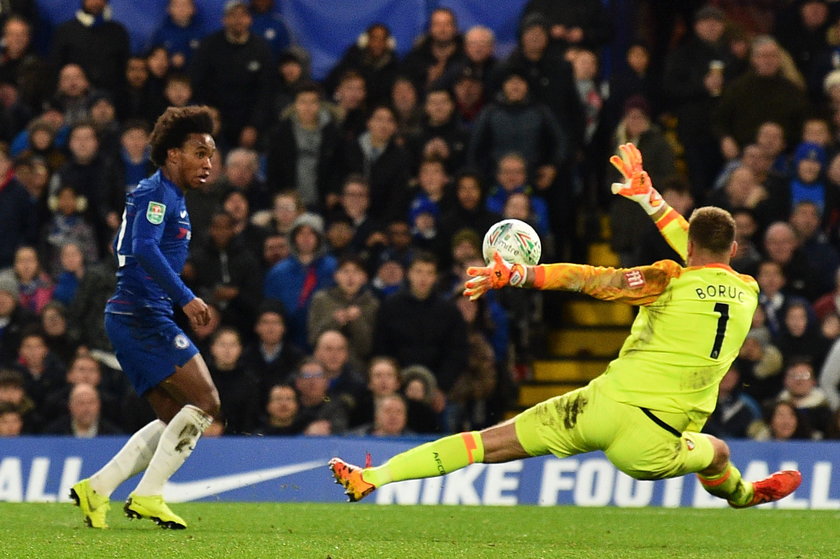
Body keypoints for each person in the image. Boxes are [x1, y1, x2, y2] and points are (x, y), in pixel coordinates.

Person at [330, 142, 802, 509]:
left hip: (599, 405)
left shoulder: (668, 279)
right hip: (652, 440)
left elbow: (590, 278)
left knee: (485, 443)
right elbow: (700, 246)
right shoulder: (748, 290)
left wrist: (518, 273)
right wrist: (652, 200)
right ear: (734, 252)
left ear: (690, 250)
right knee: (717, 452)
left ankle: (375, 476)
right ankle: (745, 496)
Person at [69, 106, 221, 530]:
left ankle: (96, 488)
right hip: (141, 315)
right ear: (173, 154)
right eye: (198, 152)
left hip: (133, 315)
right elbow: (144, 248)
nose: (207, 162)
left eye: (210, 154)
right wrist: (186, 298)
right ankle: (149, 496)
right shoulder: (158, 193)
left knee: (174, 417)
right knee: (206, 403)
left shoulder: (169, 195)